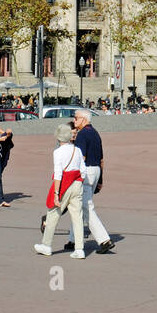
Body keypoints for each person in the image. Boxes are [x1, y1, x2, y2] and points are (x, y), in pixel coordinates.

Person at [35, 123, 87, 259]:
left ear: (58, 138)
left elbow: (58, 174)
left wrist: (56, 194)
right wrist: (79, 182)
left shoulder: (57, 152)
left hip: (64, 185)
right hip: (77, 184)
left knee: (53, 214)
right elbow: (83, 170)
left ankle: (46, 245)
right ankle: (79, 248)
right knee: (77, 217)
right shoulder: (77, 150)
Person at [66, 110, 113, 254]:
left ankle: (104, 240)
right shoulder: (95, 133)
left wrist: (72, 176)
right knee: (78, 206)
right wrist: (100, 180)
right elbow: (102, 160)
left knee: (86, 206)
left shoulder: (82, 135)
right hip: (96, 170)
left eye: (76, 118)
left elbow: (81, 158)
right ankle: (73, 239)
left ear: (84, 119)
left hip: (86, 172)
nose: (74, 121)